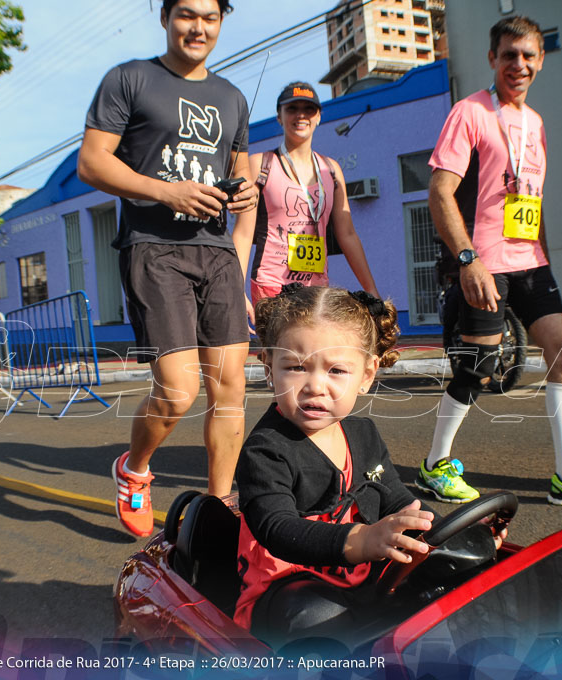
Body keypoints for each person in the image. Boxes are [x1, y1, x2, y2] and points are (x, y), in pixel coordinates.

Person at [419, 16, 562, 508]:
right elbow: (439, 191)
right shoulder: (469, 112)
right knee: (479, 367)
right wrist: (467, 260)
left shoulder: (535, 123)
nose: (519, 64)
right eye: (509, 54)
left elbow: (531, 202)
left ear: (540, 61)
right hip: (485, 262)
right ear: (492, 59)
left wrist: (548, 270)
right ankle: (435, 465)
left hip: (532, 261)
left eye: (528, 55)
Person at [234, 285, 508, 643]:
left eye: (336, 371)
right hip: (286, 589)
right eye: (295, 367)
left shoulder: (363, 434)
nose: (315, 386)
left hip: (359, 575)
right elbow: (277, 529)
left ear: (366, 375)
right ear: (269, 367)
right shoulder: (265, 450)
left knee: (449, 584)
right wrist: (361, 538)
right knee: (318, 615)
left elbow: (398, 502)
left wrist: (456, 537)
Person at [77, 0, 258, 537]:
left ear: (222, 21)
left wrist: (244, 190)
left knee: (230, 391)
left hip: (216, 251)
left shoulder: (231, 97)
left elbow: (239, 170)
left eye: (210, 16)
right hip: (154, 248)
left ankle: (219, 509)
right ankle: (133, 470)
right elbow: (92, 161)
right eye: (186, 14)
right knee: (178, 391)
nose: (198, 27)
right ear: (164, 17)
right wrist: (165, 190)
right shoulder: (129, 79)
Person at [232, 82, 380, 324]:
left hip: (316, 283)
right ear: (279, 116)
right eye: (292, 109)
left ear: (319, 116)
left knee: (312, 357)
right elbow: (243, 233)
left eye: (309, 109)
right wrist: (237, 291)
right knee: (283, 356)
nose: (301, 115)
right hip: (272, 283)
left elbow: (348, 234)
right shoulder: (260, 164)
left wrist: (371, 290)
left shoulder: (331, 169)